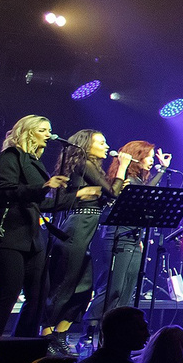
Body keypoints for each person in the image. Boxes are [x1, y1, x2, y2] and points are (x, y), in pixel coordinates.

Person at [0, 114, 81, 336]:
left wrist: (79, 196)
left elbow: (41, 203)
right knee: (8, 294)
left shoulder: (34, 161)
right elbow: (3, 191)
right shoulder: (10, 157)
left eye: (49, 130)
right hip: (8, 235)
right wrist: (42, 187)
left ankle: (24, 342)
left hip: (32, 238)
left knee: (39, 294)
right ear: (28, 131)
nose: (49, 135)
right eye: (43, 130)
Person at [43, 127, 116, 321]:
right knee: (66, 283)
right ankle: (46, 333)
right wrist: (122, 166)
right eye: (101, 143)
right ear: (86, 146)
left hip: (88, 227)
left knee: (84, 288)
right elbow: (112, 192)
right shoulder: (84, 163)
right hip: (78, 225)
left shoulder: (91, 166)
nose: (107, 146)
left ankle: (60, 335)